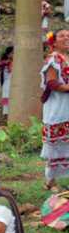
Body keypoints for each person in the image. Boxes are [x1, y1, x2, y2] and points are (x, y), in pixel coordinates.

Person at [39, 29, 69, 189]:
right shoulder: (53, 59)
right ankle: (50, 181)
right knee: (56, 145)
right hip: (57, 108)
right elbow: (51, 82)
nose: (67, 38)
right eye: (62, 36)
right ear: (54, 42)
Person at [0, 46, 14, 115]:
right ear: (8, 54)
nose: (14, 54)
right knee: (7, 96)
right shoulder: (5, 63)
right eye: (12, 53)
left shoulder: (12, 62)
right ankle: (6, 113)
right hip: (7, 83)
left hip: (13, 83)